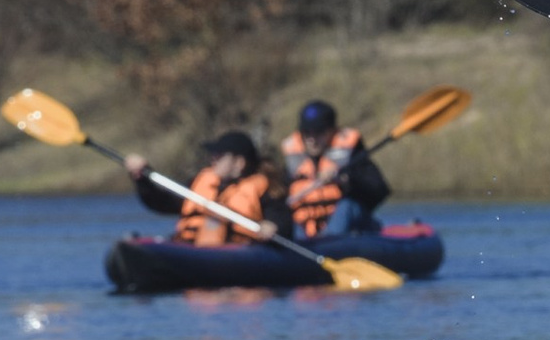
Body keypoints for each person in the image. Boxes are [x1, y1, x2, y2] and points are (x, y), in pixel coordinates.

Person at [129, 130, 277, 246]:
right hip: (192, 248)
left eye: (219, 155)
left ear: (239, 162)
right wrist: (142, 180)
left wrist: (272, 227)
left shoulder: (265, 189)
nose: (213, 159)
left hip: (237, 253)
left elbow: (282, 223)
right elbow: (161, 202)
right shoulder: (200, 183)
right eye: (213, 155)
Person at [284, 99, 390, 245]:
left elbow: (379, 190)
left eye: (319, 132)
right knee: (284, 214)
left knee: (347, 206)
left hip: (348, 231)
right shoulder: (292, 162)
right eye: (306, 133)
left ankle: (328, 244)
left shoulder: (353, 156)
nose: (312, 140)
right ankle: (300, 249)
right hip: (305, 236)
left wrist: (344, 179)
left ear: (332, 131)